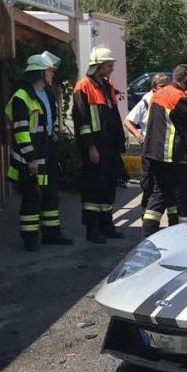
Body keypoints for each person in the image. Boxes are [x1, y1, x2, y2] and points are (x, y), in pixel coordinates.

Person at [5, 51, 73, 252]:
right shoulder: (21, 97)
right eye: (50, 71)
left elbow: (51, 123)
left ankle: (52, 234)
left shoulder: (48, 94)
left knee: (51, 193)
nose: (53, 74)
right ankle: (30, 238)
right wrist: (31, 158)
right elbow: (20, 131)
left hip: (48, 150)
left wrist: (54, 139)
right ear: (40, 72)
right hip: (32, 155)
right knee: (32, 197)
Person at [141, 64, 187, 237]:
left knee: (159, 197)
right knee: (186, 200)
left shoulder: (159, 94)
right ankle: (185, 237)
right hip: (177, 158)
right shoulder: (178, 97)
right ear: (186, 80)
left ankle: (147, 236)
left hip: (157, 157)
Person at [73, 47, 124, 243]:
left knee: (109, 186)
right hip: (95, 148)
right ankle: (92, 229)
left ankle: (106, 225)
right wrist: (90, 147)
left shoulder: (106, 86)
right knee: (93, 188)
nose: (112, 69)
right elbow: (82, 121)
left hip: (110, 147)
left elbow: (112, 118)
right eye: (109, 65)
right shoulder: (83, 87)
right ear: (98, 66)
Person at [123, 73, 170, 210]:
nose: (164, 89)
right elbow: (128, 121)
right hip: (149, 146)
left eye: (166, 86)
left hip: (163, 146)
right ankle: (146, 215)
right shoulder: (147, 100)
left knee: (163, 183)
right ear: (154, 88)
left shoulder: (168, 98)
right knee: (148, 182)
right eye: (162, 86)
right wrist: (138, 135)